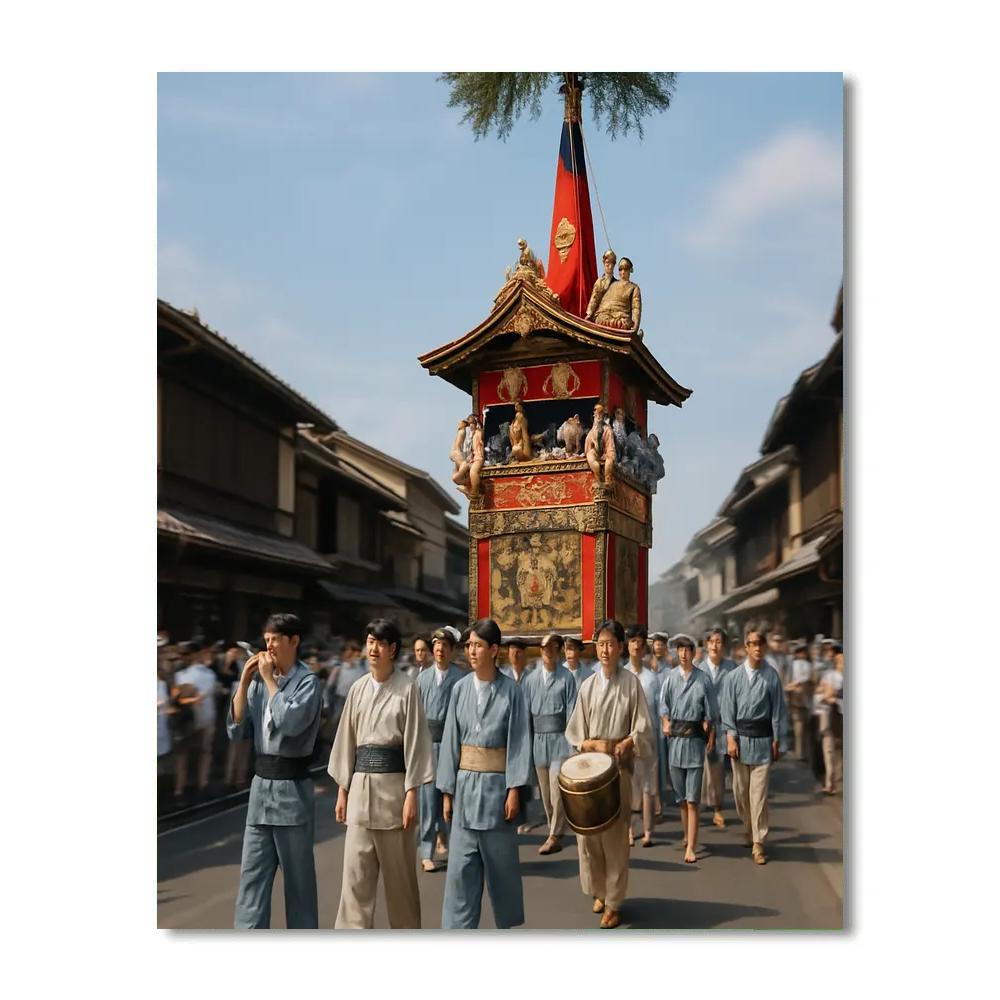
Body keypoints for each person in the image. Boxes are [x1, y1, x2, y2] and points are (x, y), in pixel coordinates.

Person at [329, 618, 433, 929]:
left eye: (380, 643)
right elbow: (346, 740)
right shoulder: (357, 689)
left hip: (394, 794)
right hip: (360, 792)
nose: (373, 648)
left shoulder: (407, 689)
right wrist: (342, 791)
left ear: (392, 649)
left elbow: (416, 741)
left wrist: (412, 792)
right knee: (355, 879)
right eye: (370, 641)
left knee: (400, 882)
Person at [227, 613, 323, 928]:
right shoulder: (256, 683)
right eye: (266, 639)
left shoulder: (308, 682)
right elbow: (237, 728)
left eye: (275, 639)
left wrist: (269, 681)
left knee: (298, 882)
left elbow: (291, 723)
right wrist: (244, 681)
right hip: (260, 790)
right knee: (251, 878)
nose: (268, 646)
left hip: (291, 791)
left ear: (293, 642)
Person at [437, 619, 533, 929]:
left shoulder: (511, 692)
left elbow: (519, 741)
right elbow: (451, 740)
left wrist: (515, 789)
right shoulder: (460, 689)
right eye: (469, 645)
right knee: (461, 871)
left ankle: (506, 927)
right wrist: (447, 792)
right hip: (465, 788)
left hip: (496, 792)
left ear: (494, 650)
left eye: (478, 645)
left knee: (501, 868)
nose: (471, 651)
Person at [565, 619, 654, 929]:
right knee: (589, 838)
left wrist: (628, 741)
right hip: (590, 771)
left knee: (615, 839)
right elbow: (576, 733)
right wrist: (592, 743)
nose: (605, 649)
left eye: (610, 644)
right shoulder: (587, 686)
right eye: (600, 643)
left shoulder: (632, 684)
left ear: (620, 647)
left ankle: (614, 902)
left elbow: (643, 727)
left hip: (617, 770)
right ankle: (599, 890)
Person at [720, 622, 791, 865]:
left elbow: (778, 710)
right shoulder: (733, 678)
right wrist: (730, 736)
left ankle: (758, 843)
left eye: (761, 644)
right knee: (741, 792)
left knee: (758, 794)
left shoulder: (771, 676)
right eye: (753, 644)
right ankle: (748, 826)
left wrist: (778, 739)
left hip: (762, 741)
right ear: (746, 647)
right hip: (740, 741)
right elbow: (727, 710)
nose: (757, 648)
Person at [659, 633, 719, 864]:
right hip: (675, 742)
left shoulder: (703, 680)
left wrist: (709, 728)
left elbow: (712, 711)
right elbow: (663, 706)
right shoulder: (670, 679)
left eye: (687, 649)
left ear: (694, 653)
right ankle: (686, 835)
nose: (683, 654)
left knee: (693, 799)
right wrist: (665, 721)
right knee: (681, 798)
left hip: (694, 741)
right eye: (680, 649)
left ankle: (691, 846)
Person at [523, 633, 577, 855]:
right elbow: (525, 716)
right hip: (538, 740)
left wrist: (572, 744)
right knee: (544, 793)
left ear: (558, 650)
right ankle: (554, 828)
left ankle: (554, 833)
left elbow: (572, 711)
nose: (549, 651)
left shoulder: (566, 678)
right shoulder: (530, 680)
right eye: (545, 647)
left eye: (553, 647)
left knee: (556, 790)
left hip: (559, 739)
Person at [416, 627, 464, 872]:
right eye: (436, 646)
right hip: (427, 745)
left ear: (452, 650)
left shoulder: (460, 679)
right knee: (427, 801)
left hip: (451, 744)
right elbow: (415, 717)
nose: (440, 650)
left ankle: (457, 848)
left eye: (445, 646)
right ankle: (427, 850)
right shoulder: (422, 679)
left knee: (452, 798)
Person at [624, 624, 661, 848]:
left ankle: (648, 830)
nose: (637, 645)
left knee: (648, 787)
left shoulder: (652, 678)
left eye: (640, 641)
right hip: (628, 739)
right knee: (630, 787)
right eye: (633, 641)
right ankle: (630, 829)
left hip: (648, 738)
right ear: (627, 646)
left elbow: (658, 710)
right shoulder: (623, 675)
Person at [172, 640, 221, 803]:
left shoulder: (180, 676)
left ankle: (180, 791)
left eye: (184, 654)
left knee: (184, 756)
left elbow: (177, 698)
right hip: (205, 719)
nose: (182, 657)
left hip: (189, 721)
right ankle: (201, 786)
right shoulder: (209, 675)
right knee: (203, 753)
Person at [698, 626, 737, 828]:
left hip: (725, 725)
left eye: (718, 642)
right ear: (706, 645)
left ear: (724, 645)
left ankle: (718, 807)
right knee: (704, 766)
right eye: (711, 641)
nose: (714, 645)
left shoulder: (731, 667)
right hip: (702, 725)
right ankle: (705, 807)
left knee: (720, 767)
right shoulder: (699, 668)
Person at [816, 649, 844, 794]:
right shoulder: (829, 675)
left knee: (839, 752)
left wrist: (832, 695)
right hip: (828, 717)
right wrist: (827, 694)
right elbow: (821, 692)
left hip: (841, 717)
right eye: (840, 660)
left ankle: (836, 782)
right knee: (829, 750)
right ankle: (830, 783)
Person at [592, 256, 641, 332]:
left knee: (621, 324)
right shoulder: (611, 283)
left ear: (630, 270)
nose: (623, 272)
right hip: (603, 318)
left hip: (621, 320)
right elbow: (597, 297)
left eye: (626, 268)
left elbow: (636, 308)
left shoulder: (633, 287)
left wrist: (636, 325)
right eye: (620, 269)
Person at [785, 641, 816, 762]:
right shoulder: (794, 665)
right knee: (800, 727)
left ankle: (802, 752)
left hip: (804, 699)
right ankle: (800, 752)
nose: (802, 653)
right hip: (797, 699)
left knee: (803, 727)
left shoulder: (806, 665)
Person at [585, 403, 616, 485]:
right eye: (596, 414)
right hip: (595, 451)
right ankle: (597, 477)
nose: (598, 416)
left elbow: (610, 446)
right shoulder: (593, 429)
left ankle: (607, 479)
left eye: (600, 414)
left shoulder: (607, 429)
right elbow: (588, 442)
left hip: (606, 452)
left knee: (609, 461)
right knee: (590, 457)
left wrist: (608, 455)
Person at [585, 248, 617, 321]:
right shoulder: (600, 282)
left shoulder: (617, 283)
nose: (610, 266)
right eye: (607, 263)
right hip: (601, 315)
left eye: (612, 263)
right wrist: (589, 314)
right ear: (604, 263)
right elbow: (595, 298)